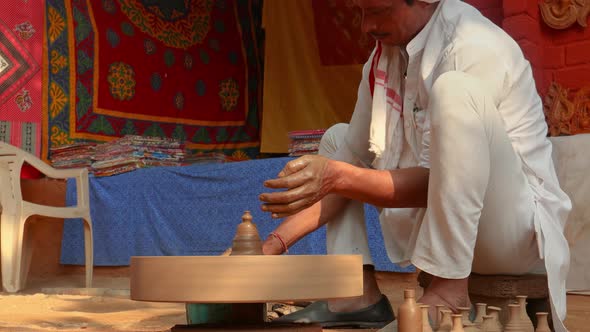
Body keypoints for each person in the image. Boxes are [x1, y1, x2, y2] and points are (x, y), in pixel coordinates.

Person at [259, 0, 571, 331]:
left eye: (378, 11)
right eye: (361, 13)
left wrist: (339, 176)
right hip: (449, 225)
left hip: (511, 234)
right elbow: (346, 163)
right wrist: (269, 247)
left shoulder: (473, 44)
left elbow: (435, 183)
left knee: (454, 89)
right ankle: (354, 296)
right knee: (338, 140)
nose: (366, 26)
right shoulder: (384, 59)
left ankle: (449, 290)